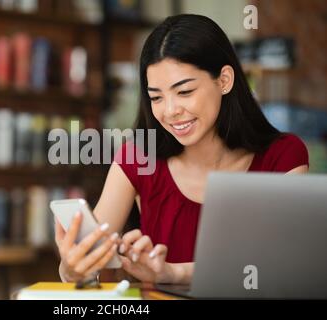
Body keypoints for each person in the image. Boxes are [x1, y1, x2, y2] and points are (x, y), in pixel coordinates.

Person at [54, 14, 309, 284]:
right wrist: (73, 270)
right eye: (156, 97)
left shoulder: (283, 158)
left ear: (224, 80)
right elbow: (85, 267)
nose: (171, 111)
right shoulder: (138, 159)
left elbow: (285, 265)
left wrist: (175, 273)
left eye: (184, 92)